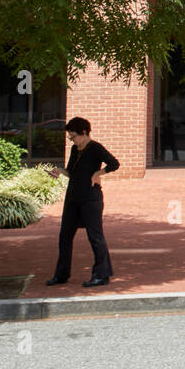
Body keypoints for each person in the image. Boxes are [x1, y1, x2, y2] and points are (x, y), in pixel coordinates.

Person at [46, 117, 118, 288]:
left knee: (95, 237)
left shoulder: (95, 148)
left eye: (73, 136)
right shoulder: (74, 149)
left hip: (90, 198)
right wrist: (59, 171)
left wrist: (97, 174)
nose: (72, 140)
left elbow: (114, 164)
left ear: (84, 133)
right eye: (70, 137)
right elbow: (71, 171)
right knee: (64, 236)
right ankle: (61, 274)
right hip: (73, 197)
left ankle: (101, 274)